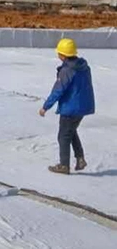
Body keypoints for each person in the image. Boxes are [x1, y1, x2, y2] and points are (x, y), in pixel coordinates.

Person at [39, 38, 96, 175]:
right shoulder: (84, 66)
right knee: (70, 131)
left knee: (63, 136)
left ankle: (64, 166)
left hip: (71, 107)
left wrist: (46, 106)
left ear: (63, 55)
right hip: (83, 107)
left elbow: (58, 90)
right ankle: (80, 158)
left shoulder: (67, 70)